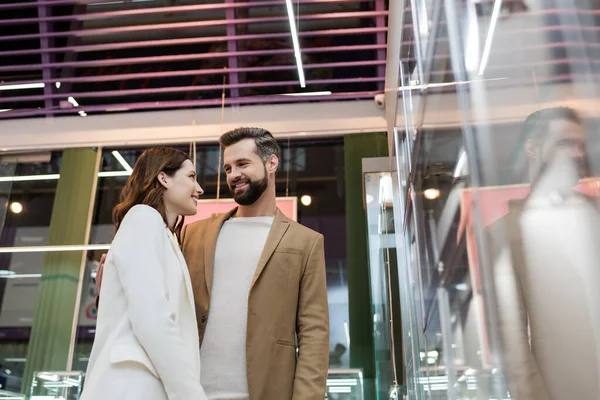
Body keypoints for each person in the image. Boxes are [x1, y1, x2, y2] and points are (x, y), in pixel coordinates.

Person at [96, 128, 330, 400]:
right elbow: (155, 302)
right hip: (190, 390)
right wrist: (110, 292)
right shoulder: (193, 234)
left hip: (267, 390)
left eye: (243, 164)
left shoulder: (305, 242)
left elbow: (314, 333)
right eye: (228, 168)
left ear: (272, 163)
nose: (233, 175)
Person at [489, 107, 600, 400]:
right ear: (532, 149)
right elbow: (510, 336)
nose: (577, 154)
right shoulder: (505, 232)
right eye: (565, 144)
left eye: (580, 145)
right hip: (564, 389)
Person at [82, 147, 208, 400]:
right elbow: (153, 318)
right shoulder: (143, 218)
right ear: (164, 178)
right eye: (191, 177)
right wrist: (191, 394)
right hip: (134, 384)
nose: (199, 189)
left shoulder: (163, 234)